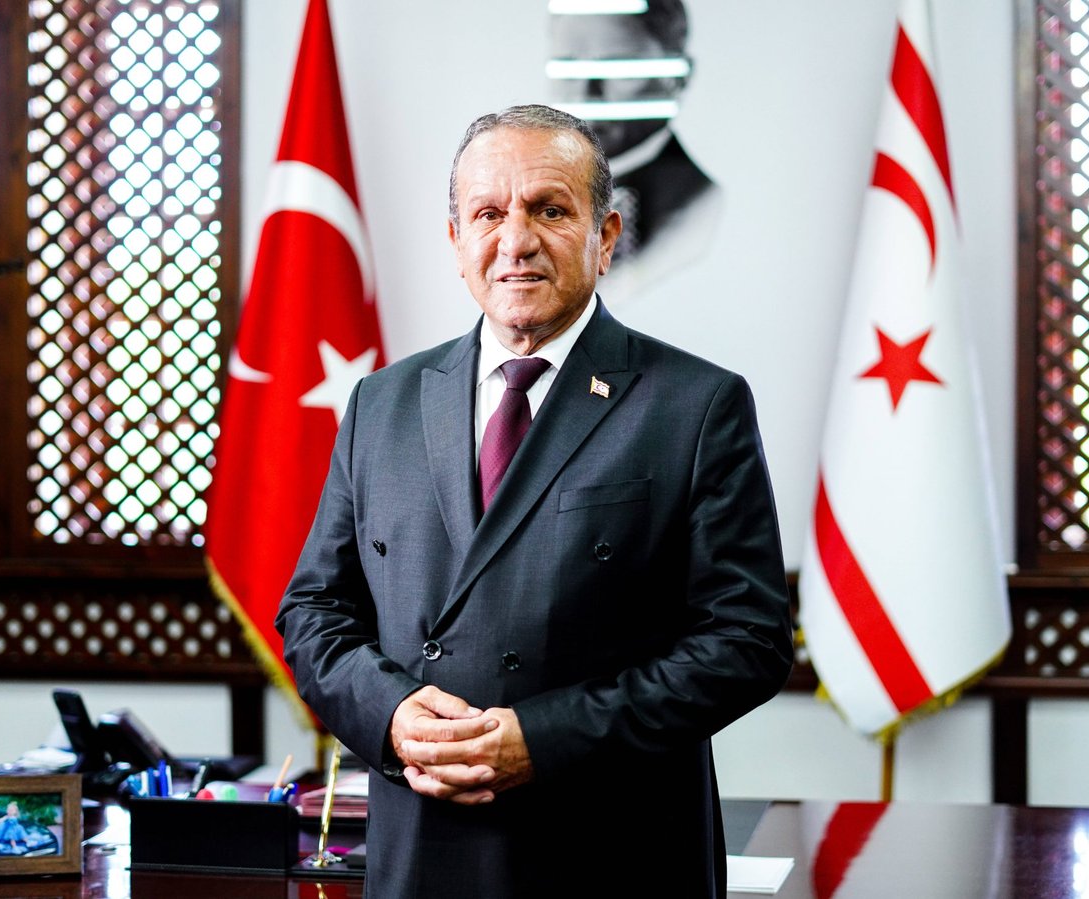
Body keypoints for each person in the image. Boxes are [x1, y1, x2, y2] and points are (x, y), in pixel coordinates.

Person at [276, 104, 792, 898]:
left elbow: (747, 640)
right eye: (488, 214)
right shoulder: (383, 402)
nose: (515, 240)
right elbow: (313, 610)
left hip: (611, 855)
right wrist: (394, 715)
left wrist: (543, 738)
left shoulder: (696, 404)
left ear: (606, 237)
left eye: (549, 210)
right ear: (456, 242)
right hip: (422, 850)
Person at [548, 0, 721, 297]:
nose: (587, 93)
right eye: (569, 65)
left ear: (678, 77)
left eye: (618, 66)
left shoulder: (699, 207)